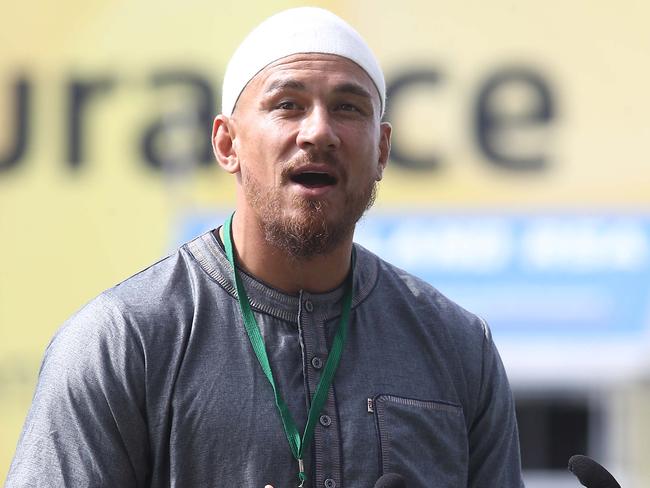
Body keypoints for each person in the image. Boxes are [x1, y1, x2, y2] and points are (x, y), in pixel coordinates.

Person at [6, 7, 524, 488]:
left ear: (382, 149)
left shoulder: (458, 347)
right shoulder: (121, 343)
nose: (319, 131)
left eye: (347, 107)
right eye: (287, 105)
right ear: (227, 143)